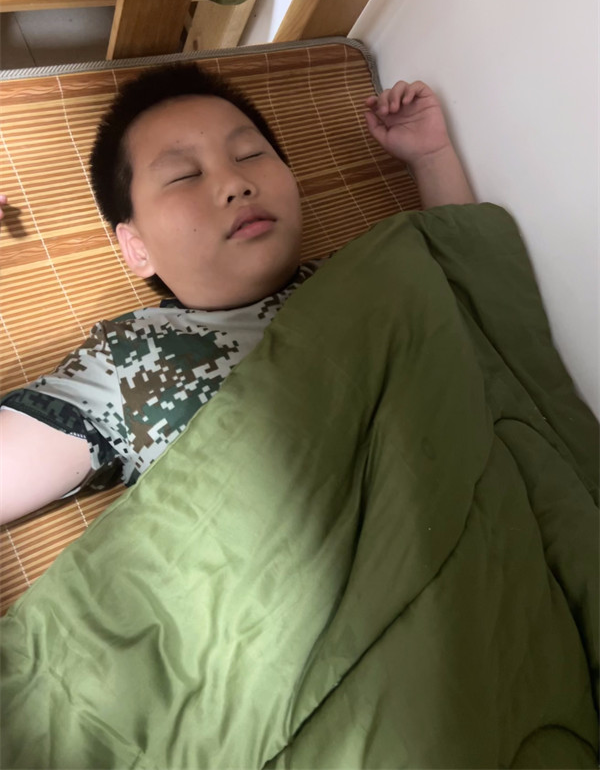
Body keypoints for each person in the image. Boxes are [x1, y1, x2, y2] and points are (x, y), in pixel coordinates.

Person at [0, 64, 475, 526]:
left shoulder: (365, 272)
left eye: (249, 155)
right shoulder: (123, 364)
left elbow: (478, 279)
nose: (235, 184)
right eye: (184, 175)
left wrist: (430, 157)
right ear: (137, 248)